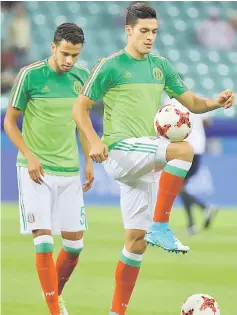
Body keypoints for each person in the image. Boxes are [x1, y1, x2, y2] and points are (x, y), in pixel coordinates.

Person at [73, 3, 235, 315]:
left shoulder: (160, 66)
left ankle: (115, 312)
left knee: (135, 243)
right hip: (120, 149)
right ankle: (161, 224)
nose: (150, 37)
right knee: (183, 149)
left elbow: (192, 103)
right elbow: (80, 107)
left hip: (142, 161)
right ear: (128, 30)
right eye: (144, 31)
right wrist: (93, 141)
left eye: (154, 32)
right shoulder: (110, 66)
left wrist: (216, 101)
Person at [4, 23, 94, 315]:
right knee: (43, 241)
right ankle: (55, 309)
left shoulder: (82, 77)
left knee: (74, 248)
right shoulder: (29, 75)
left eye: (75, 55)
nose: (70, 61)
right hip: (36, 171)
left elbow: (82, 121)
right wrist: (29, 155)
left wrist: (90, 158)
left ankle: (56, 294)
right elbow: (9, 122)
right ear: (53, 47)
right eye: (65, 53)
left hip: (69, 171)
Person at [163, 96, 218, 235]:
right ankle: (193, 223)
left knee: (177, 187)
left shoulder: (170, 103)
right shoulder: (195, 98)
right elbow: (208, 122)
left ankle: (204, 209)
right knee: (179, 187)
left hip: (185, 149)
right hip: (198, 148)